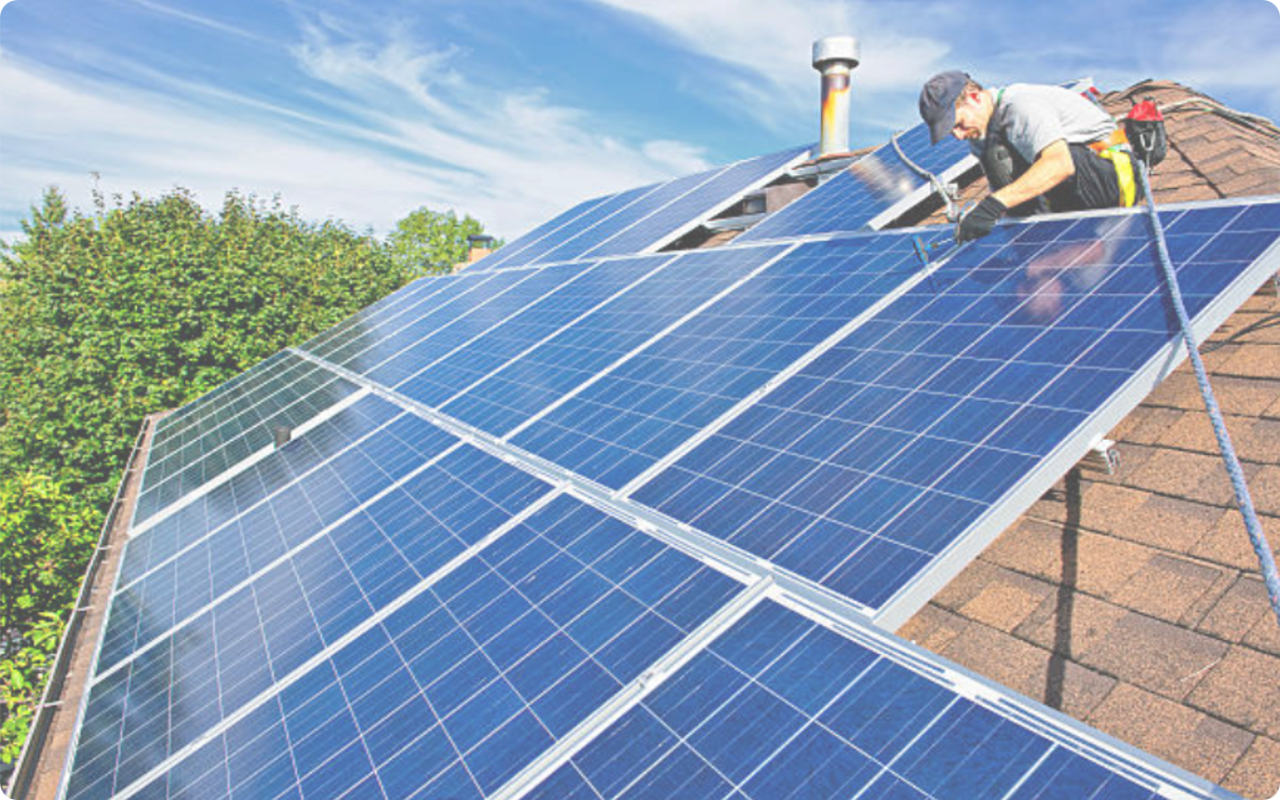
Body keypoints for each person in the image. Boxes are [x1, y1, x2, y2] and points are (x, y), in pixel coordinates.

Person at [918, 71, 1141, 242]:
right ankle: (1041, 242)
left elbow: (1060, 164)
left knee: (1005, 159)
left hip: (1113, 176)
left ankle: (1077, 242)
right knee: (995, 158)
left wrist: (992, 206)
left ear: (975, 98)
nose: (958, 135)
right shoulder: (982, 137)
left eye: (958, 124)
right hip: (1076, 186)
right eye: (951, 131)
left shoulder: (1020, 105)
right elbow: (1005, 189)